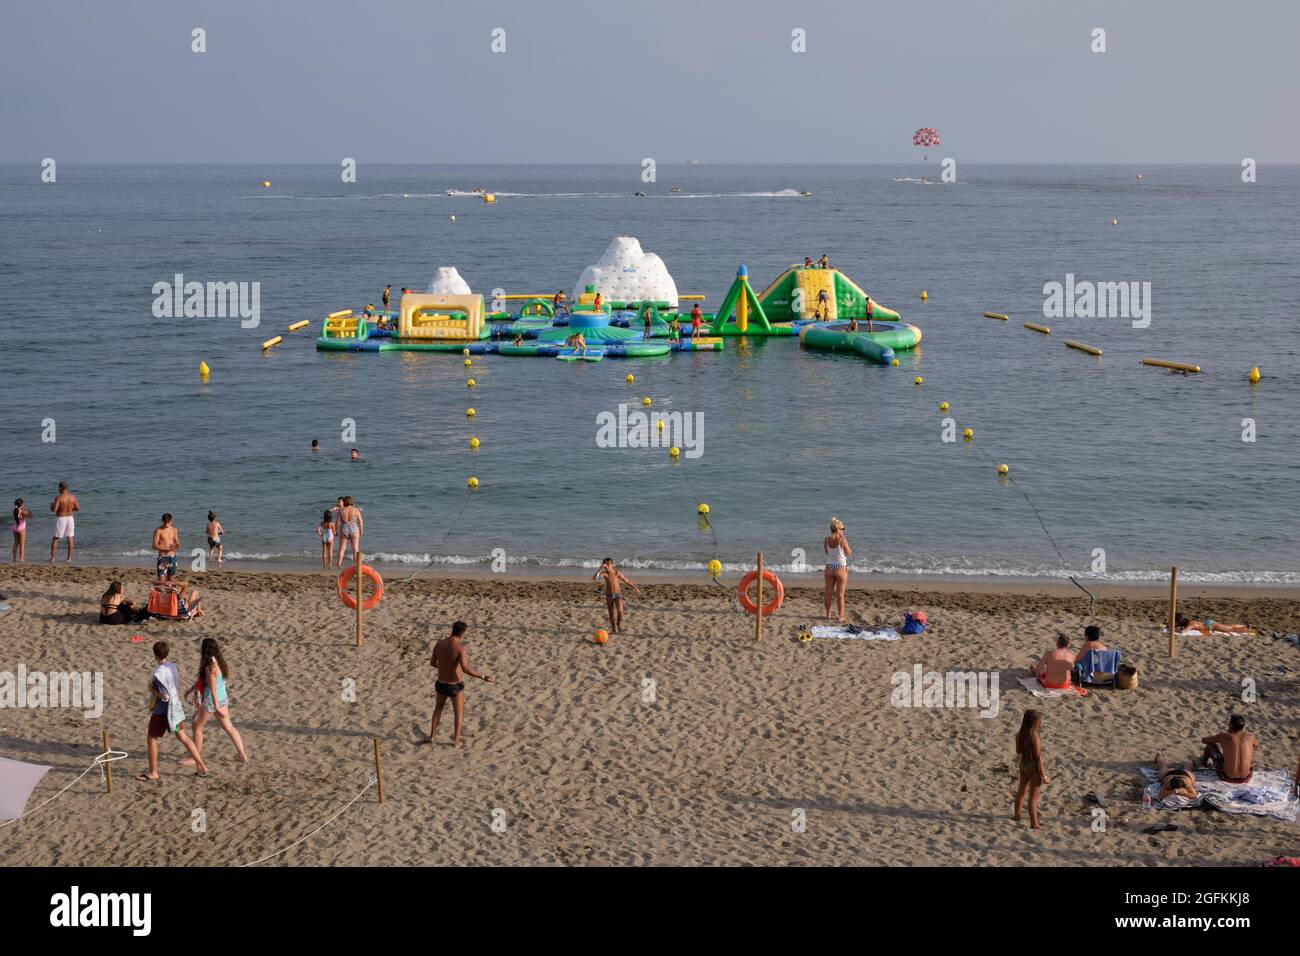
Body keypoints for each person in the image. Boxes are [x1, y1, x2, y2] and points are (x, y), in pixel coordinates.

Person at [140, 641, 208, 780]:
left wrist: (153, 690)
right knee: (183, 736)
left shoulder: (158, 672)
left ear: (155, 655)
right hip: (175, 708)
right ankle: (202, 766)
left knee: (152, 738)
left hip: (162, 711)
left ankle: (153, 772)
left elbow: (164, 695)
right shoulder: (172, 666)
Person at [181, 638, 247, 766]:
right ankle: (241, 754)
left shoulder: (209, 667)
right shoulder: (219, 662)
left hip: (212, 701)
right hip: (223, 698)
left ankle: (194, 758)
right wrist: (191, 689)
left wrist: (216, 706)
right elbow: (207, 682)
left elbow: (212, 688)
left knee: (197, 727)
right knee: (229, 727)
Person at [428, 621, 494, 748]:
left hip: (441, 683)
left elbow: (432, 663)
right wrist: (483, 677)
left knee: (438, 708)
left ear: (453, 629)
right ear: (463, 633)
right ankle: (456, 741)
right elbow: (466, 669)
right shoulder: (460, 648)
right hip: (455, 685)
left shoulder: (439, 644)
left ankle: (432, 736)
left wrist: (443, 667)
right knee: (458, 713)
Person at [1200, 714, 1258, 784]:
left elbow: (1204, 741)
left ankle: (1204, 763)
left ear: (1231, 725)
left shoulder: (1224, 736)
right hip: (1246, 778)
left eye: (1229, 723)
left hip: (1227, 777)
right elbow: (1256, 745)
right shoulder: (1250, 737)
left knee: (1210, 745)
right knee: (1250, 756)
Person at [1014, 709, 1047, 829]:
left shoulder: (1019, 735)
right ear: (1035, 722)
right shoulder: (1034, 737)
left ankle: (1017, 815)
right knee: (1033, 798)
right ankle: (1034, 823)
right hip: (1033, 768)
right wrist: (1044, 776)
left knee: (1021, 791)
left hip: (1023, 765)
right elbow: (1038, 758)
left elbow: (1018, 751)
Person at [594, 557, 641, 634]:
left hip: (617, 595)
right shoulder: (604, 574)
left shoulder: (617, 573)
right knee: (611, 613)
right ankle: (613, 629)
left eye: (608, 564)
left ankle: (618, 624)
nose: (606, 566)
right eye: (605, 565)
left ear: (612, 565)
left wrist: (635, 588)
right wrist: (600, 569)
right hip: (609, 596)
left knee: (620, 612)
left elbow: (626, 581)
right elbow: (594, 578)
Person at [823, 518, 851, 622]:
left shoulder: (826, 539)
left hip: (829, 567)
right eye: (842, 528)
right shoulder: (842, 539)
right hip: (840, 567)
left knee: (828, 592)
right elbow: (849, 553)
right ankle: (841, 616)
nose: (843, 530)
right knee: (840, 594)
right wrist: (843, 539)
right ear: (838, 529)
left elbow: (827, 552)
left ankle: (828, 614)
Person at [49, 480, 78, 563]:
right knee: (70, 538)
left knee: (56, 538)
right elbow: (77, 508)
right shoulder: (73, 497)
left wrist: (51, 506)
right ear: (67, 488)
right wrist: (72, 509)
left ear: (60, 488)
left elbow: (54, 510)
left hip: (61, 518)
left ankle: (53, 558)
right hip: (70, 518)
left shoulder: (59, 497)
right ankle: (69, 559)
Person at [152, 513, 180, 581]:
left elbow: (177, 542)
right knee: (161, 579)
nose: (167, 525)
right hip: (163, 558)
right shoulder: (158, 530)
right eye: (165, 523)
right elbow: (154, 546)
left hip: (172, 557)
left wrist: (176, 545)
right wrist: (168, 548)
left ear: (171, 521)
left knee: (171, 579)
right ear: (162, 521)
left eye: (168, 523)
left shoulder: (174, 530)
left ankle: (169, 591)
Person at [336, 496, 363, 563]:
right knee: (355, 549)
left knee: (342, 549)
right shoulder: (356, 510)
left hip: (344, 528)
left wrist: (336, 530)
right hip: (354, 528)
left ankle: (339, 565)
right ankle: (356, 565)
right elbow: (360, 521)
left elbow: (337, 522)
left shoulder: (342, 510)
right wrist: (361, 530)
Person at [1175, 612, 1251, 635]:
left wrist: (1174, 629)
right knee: (1229, 626)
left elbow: (1182, 632)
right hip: (1208, 623)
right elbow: (1177, 626)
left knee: (1230, 629)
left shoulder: (1190, 625)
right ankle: (1245, 625)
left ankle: (1249, 629)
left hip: (1210, 625)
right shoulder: (1188, 622)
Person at [11, 498, 33, 562]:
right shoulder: (22, 511)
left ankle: (14, 558)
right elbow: (30, 515)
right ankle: (21, 558)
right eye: (23, 504)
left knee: (16, 543)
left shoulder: (14, 510)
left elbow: (17, 516)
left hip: (15, 527)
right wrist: (28, 511)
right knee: (22, 544)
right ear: (22, 504)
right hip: (21, 528)